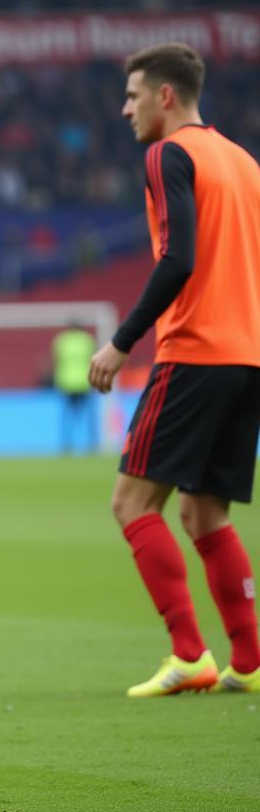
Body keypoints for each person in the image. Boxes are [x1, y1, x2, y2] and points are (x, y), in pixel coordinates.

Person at [89, 42, 260, 697]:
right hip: (248, 355)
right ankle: (247, 660)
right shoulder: (242, 161)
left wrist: (122, 341)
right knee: (205, 514)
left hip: (195, 350)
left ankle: (190, 653)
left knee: (131, 502)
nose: (125, 108)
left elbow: (179, 256)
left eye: (133, 96)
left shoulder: (168, 153)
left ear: (165, 96)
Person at [51, 322, 96, 454]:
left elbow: (56, 361)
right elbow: (92, 361)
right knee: (87, 416)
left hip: (66, 383)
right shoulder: (87, 340)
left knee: (67, 417)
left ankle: (66, 445)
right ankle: (91, 445)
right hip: (84, 382)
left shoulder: (61, 340)